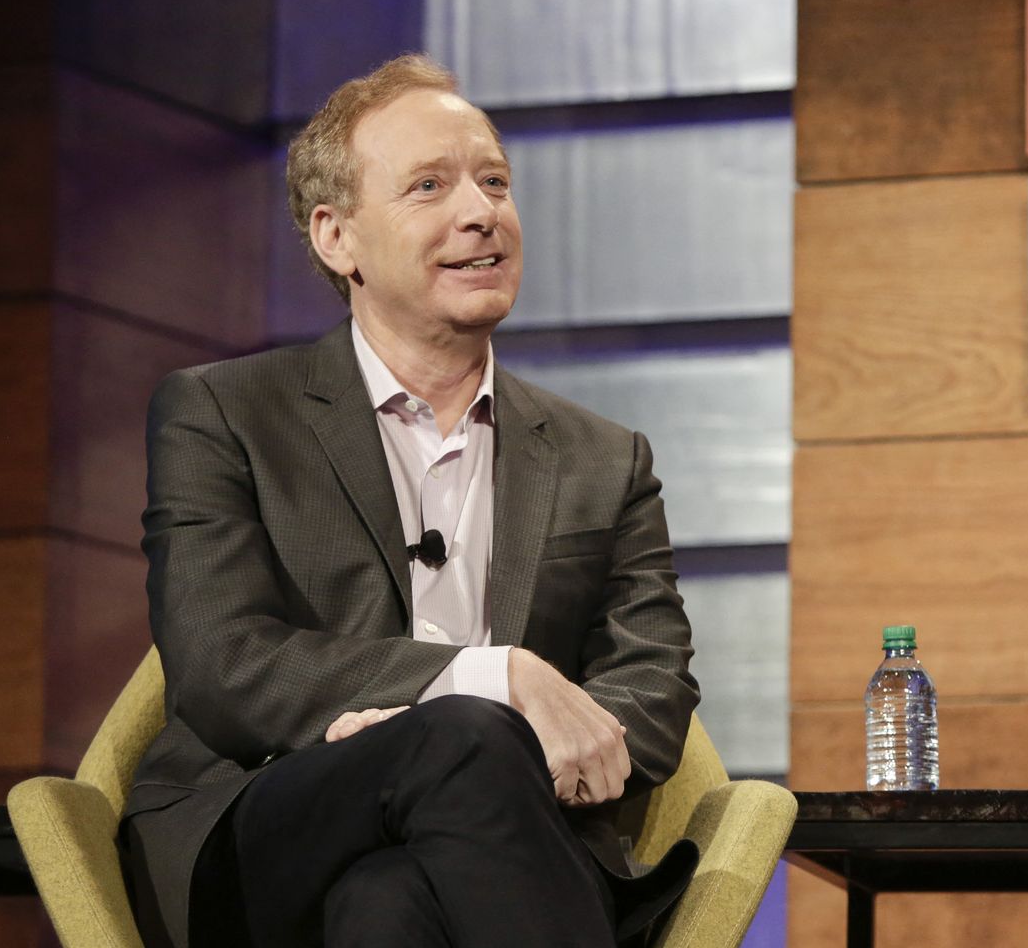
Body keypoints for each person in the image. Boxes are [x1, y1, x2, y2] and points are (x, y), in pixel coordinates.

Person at [119, 54, 700, 947]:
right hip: (265, 819)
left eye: (494, 182)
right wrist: (485, 681)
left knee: (386, 905)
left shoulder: (602, 458)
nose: (481, 212)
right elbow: (221, 662)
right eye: (430, 185)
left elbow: (654, 681)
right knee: (462, 732)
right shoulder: (222, 413)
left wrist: (509, 754)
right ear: (336, 238)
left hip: (501, 839)